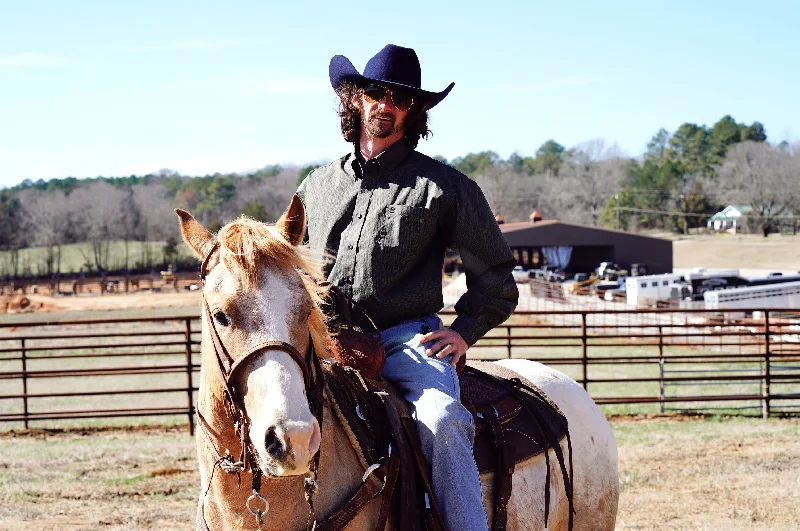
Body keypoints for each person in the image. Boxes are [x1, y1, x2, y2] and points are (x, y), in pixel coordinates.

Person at [296, 44, 518, 531]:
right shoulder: (316, 186)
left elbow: (497, 278)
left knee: (442, 422)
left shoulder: (443, 187)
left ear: (413, 110)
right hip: (325, 341)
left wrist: (464, 332)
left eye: (399, 96)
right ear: (354, 99)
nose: (385, 102)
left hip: (404, 340)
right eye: (375, 91)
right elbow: (292, 267)